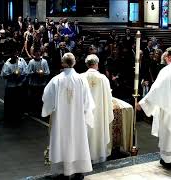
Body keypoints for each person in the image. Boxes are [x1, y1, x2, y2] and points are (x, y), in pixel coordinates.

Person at [41, 52, 95, 180]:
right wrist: (85, 112)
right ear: (74, 63)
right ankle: (78, 171)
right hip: (77, 119)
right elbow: (88, 101)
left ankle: (62, 171)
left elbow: (46, 97)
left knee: (61, 142)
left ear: (62, 63)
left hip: (61, 120)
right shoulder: (81, 79)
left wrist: (49, 109)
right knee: (78, 142)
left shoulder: (56, 80)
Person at [81, 54, 114, 164]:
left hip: (85, 113)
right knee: (99, 131)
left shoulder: (81, 77)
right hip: (100, 113)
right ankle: (99, 156)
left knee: (85, 133)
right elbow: (109, 97)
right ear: (97, 64)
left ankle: (84, 156)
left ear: (87, 64)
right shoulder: (103, 78)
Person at [0, 48, 28, 125]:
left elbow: (26, 70)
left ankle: (18, 116)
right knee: (10, 103)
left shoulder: (21, 61)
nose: (16, 56)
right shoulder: (7, 64)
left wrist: (21, 76)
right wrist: (12, 75)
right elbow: (3, 75)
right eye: (14, 55)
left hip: (19, 85)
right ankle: (9, 118)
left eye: (16, 54)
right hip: (11, 87)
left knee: (18, 102)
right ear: (11, 55)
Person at [27, 48, 50, 116]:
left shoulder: (44, 61)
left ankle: (40, 111)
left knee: (41, 98)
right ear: (34, 54)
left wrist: (43, 73)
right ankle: (32, 110)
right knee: (33, 98)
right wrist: (34, 73)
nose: (37, 54)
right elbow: (27, 72)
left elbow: (48, 72)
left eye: (39, 52)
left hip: (41, 83)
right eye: (36, 52)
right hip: (33, 83)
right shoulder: (31, 62)